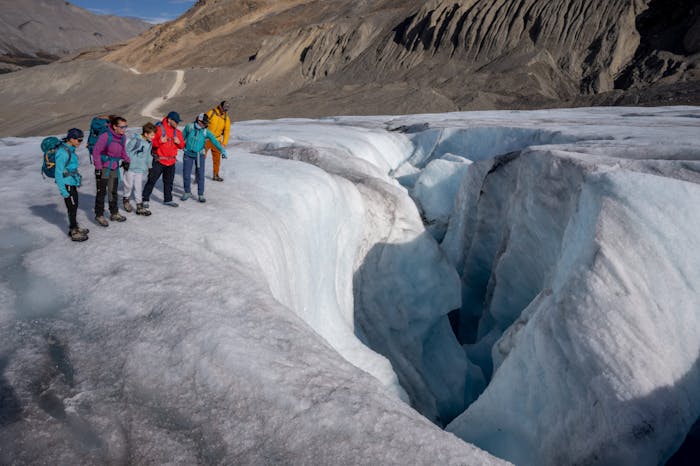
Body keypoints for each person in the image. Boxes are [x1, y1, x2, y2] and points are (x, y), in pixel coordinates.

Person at [92, 116, 131, 226]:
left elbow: (122, 151)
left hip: (114, 167)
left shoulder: (122, 137)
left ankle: (114, 213)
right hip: (104, 167)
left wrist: (127, 160)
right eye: (122, 127)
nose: (124, 129)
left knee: (113, 191)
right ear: (114, 127)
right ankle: (99, 215)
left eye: (125, 126)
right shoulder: (105, 136)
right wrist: (98, 168)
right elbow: (96, 152)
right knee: (101, 192)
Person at [180, 113, 227, 203]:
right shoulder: (189, 127)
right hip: (188, 154)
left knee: (201, 175)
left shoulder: (206, 131)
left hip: (200, 155)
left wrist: (222, 150)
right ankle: (187, 192)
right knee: (186, 174)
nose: (206, 125)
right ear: (199, 121)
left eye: (206, 123)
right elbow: (182, 137)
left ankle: (200, 194)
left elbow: (214, 141)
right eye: (204, 123)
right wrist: (181, 146)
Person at [142, 111, 185, 208]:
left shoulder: (177, 132)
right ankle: (145, 199)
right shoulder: (158, 129)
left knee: (169, 182)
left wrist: (179, 143)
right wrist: (159, 142)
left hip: (171, 161)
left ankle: (168, 199)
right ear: (169, 120)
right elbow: (150, 143)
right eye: (176, 121)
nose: (177, 124)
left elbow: (182, 146)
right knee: (152, 180)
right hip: (159, 160)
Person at [54, 128, 89, 242]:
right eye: (79, 140)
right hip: (67, 184)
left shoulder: (70, 148)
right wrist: (63, 191)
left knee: (74, 206)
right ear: (71, 139)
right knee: (72, 208)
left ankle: (75, 227)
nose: (80, 142)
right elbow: (58, 173)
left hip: (72, 182)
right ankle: (74, 231)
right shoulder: (63, 152)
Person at [123, 122, 156, 216]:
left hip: (140, 168)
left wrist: (150, 167)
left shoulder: (149, 143)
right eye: (152, 135)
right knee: (128, 185)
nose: (153, 137)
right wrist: (126, 161)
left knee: (138, 187)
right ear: (146, 134)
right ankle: (126, 199)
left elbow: (149, 156)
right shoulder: (135, 140)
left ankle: (139, 207)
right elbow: (126, 150)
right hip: (130, 167)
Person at [205, 100, 231, 182]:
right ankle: (197, 174)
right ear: (220, 106)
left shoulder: (226, 118)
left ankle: (215, 175)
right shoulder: (211, 113)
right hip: (206, 139)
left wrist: (224, 143)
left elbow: (227, 130)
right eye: (224, 108)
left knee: (217, 159)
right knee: (201, 157)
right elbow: (202, 123)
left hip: (217, 140)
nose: (225, 111)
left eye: (226, 109)